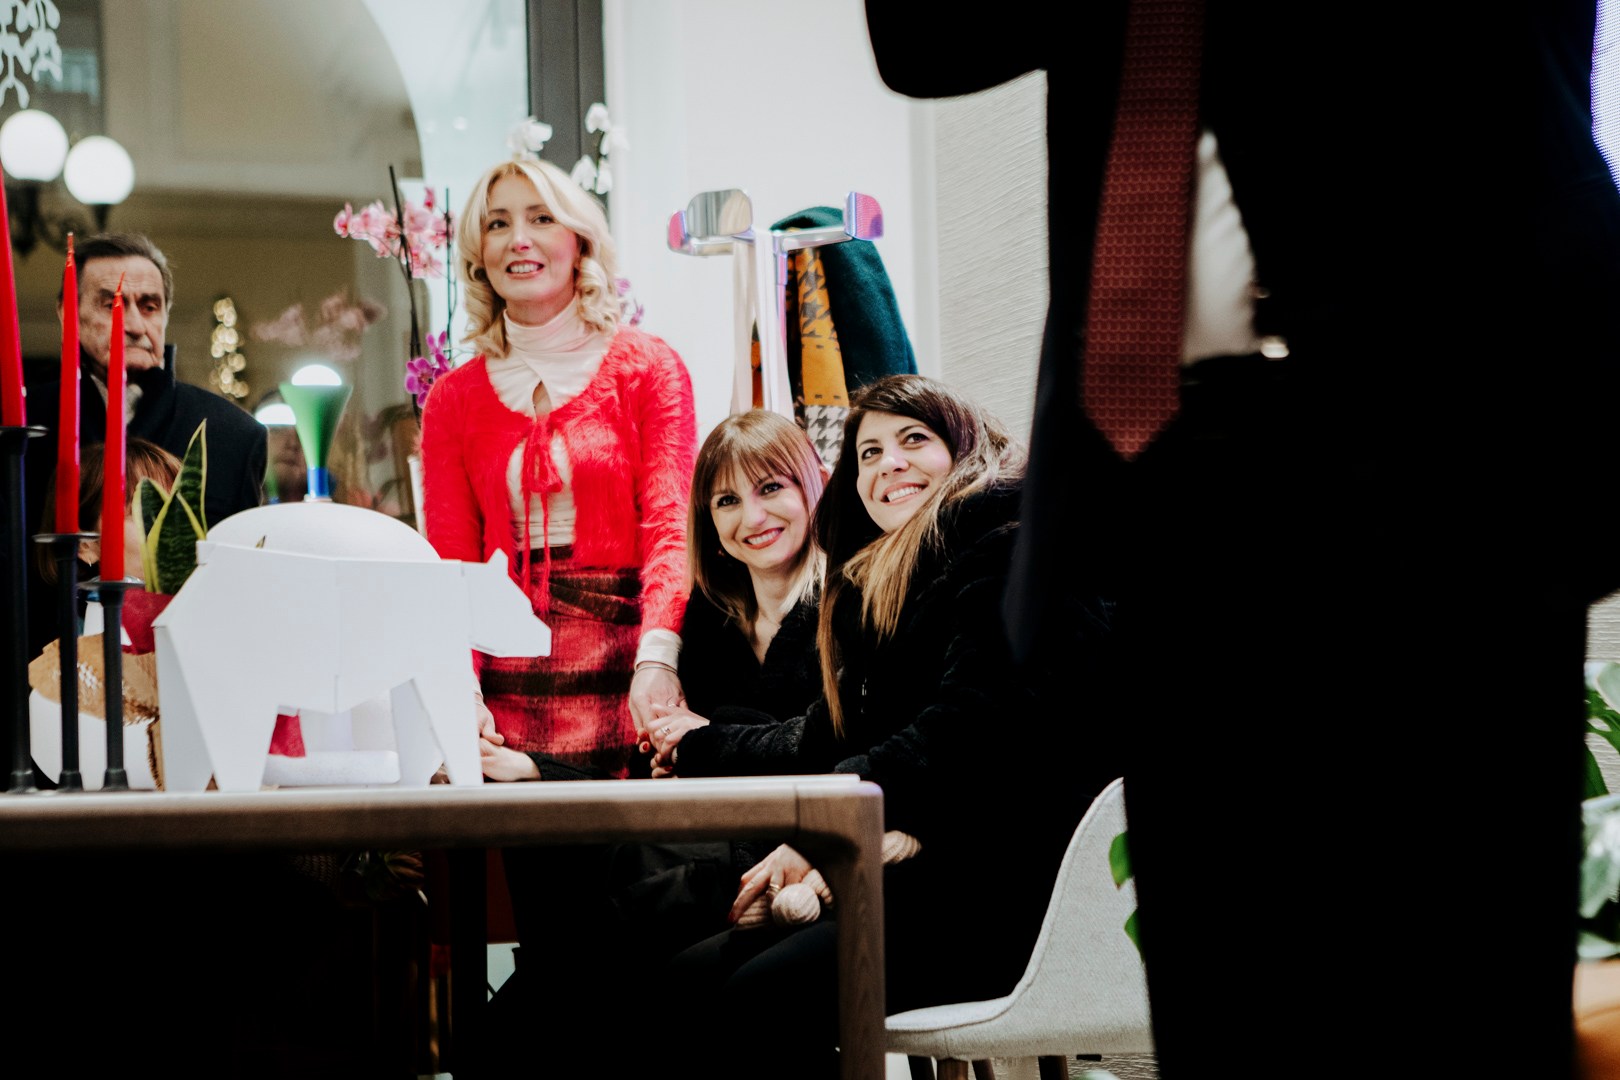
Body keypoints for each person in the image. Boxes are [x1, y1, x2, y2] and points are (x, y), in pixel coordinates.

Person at [860, 5, 1620, 1076]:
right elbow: (923, 41)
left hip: (1456, 451)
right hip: (1180, 476)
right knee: (1230, 999)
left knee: (1465, 997)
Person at [648, 375, 1117, 1079]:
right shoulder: (902, 584)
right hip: (937, 879)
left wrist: (825, 831)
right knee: (686, 981)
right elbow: (827, 736)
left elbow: (965, 730)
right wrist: (695, 743)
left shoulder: (1012, 548)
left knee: (754, 997)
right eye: (868, 453)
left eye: (912, 439)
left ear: (963, 446)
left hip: (1016, 894)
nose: (888, 464)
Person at [417, 153, 697, 1075]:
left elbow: (670, 528)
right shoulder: (454, 399)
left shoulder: (648, 368)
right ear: (477, 252)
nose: (519, 239)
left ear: (580, 239)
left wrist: (658, 659)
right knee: (552, 931)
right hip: (513, 694)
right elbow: (452, 569)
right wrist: (462, 697)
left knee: (632, 924)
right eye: (497, 223)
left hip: (628, 676)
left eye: (539, 218)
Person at [22, 232, 268, 661]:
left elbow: (240, 590)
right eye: (111, 304)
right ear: (67, 313)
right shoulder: (24, 426)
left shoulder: (232, 435)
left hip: (183, 670)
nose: (134, 325)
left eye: (150, 306)